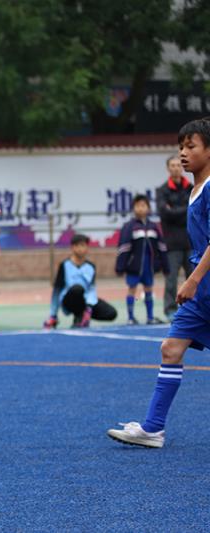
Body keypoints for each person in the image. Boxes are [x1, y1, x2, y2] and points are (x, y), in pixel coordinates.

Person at [107, 118, 210, 448]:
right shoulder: (194, 190)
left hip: (203, 283)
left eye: (191, 146)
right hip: (201, 292)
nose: (183, 153)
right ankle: (153, 429)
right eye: (181, 147)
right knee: (171, 348)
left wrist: (192, 279)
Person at [115, 194, 169, 325]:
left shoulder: (154, 227)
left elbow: (161, 247)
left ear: (148, 208)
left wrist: (165, 265)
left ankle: (150, 317)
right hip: (133, 266)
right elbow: (123, 248)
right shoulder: (129, 226)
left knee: (148, 289)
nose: (140, 208)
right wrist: (120, 266)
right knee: (132, 289)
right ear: (133, 208)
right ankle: (130, 317)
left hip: (148, 266)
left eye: (143, 205)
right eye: (137, 206)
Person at [43, 234, 118, 329]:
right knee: (77, 289)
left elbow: (91, 289)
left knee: (111, 313)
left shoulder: (91, 267)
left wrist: (89, 308)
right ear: (72, 247)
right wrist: (53, 315)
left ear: (87, 247)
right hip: (68, 300)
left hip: (85, 300)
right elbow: (57, 291)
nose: (80, 249)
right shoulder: (64, 265)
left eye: (82, 245)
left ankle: (84, 315)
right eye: (76, 245)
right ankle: (78, 317)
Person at [156, 155, 194, 321]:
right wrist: (184, 210)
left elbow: (194, 211)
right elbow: (165, 213)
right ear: (168, 168)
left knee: (192, 278)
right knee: (171, 279)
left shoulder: (191, 188)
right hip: (171, 242)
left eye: (178, 165)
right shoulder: (162, 191)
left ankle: (193, 309)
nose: (176, 168)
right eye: (173, 165)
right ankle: (170, 309)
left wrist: (174, 210)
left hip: (191, 240)